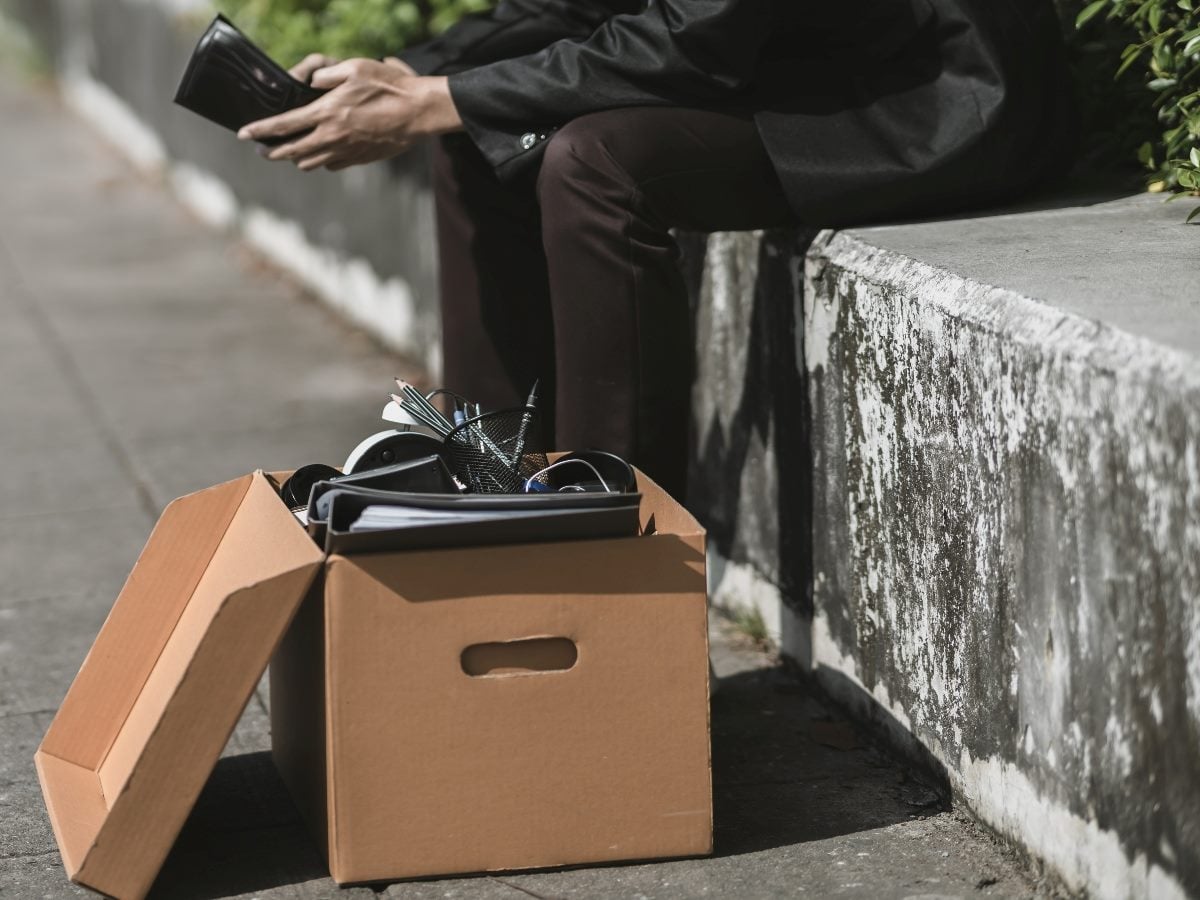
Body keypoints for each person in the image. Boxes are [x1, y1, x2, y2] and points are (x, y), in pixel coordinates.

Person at [239, 0, 1076, 500]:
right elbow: (574, 7)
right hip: (795, 67)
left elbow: (695, 36)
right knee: (479, 137)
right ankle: (489, 491)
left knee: (592, 165)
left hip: (930, 102)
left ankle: (613, 541)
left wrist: (440, 98)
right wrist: (405, 75)